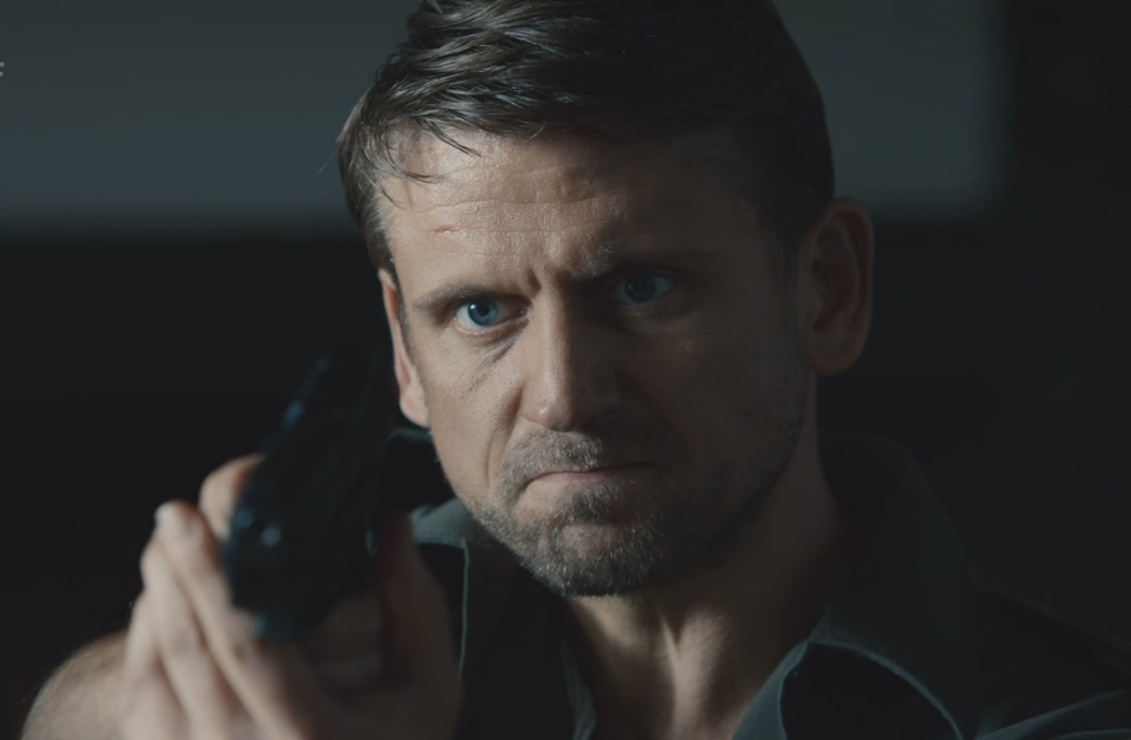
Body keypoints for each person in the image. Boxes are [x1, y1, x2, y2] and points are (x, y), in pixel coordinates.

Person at [23, 1, 1131, 738]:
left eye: (642, 288)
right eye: (481, 312)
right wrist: (175, 673)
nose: (561, 394)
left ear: (827, 290)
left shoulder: (1063, 717)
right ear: (405, 350)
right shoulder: (363, 635)